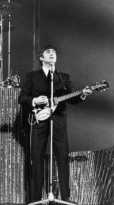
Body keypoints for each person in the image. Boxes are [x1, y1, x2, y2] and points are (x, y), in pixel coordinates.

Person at [18, 45, 92, 203]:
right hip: (39, 119)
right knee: (36, 158)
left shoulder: (63, 77)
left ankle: (65, 197)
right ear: (41, 58)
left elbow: (72, 98)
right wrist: (34, 100)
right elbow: (21, 98)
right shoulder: (32, 76)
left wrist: (83, 95)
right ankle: (35, 198)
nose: (52, 54)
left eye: (54, 52)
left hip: (58, 120)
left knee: (62, 157)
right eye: (48, 52)